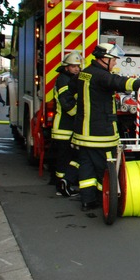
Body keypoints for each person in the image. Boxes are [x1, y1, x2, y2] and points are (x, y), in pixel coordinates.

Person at [71, 43, 140, 211]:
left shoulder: (84, 74)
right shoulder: (101, 75)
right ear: (104, 59)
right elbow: (118, 81)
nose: (115, 63)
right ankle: (107, 200)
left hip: (82, 132)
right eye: (114, 60)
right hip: (100, 134)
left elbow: (72, 92)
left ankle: (87, 201)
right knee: (105, 169)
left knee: (86, 166)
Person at [52, 51, 82, 195]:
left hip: (69, 128)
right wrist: (82, 116)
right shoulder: (63, 80)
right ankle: (61, 187)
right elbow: (67, 104)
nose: (76, 69)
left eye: (78, 66)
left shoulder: (70, 79)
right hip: (63, 128)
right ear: (66, 67)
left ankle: (64, 185)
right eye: (73, 66)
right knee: (64, 159)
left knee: (70, 157)